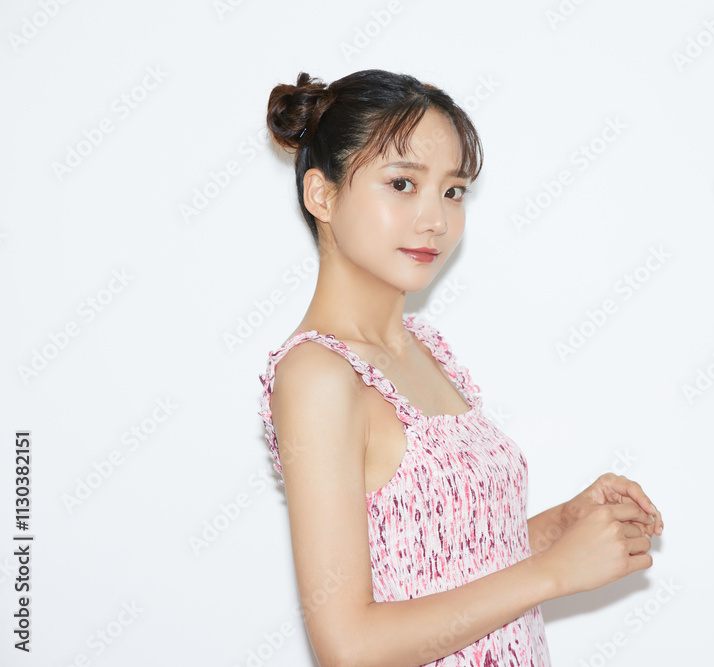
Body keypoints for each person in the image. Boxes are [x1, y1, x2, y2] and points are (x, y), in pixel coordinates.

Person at [257, 69, 664, 666]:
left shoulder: (422, 349)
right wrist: (552, 573)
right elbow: (349, 646)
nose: (436, 220)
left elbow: (440, 567)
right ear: (322, 195)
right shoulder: (317, 376)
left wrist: (561, 526)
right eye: (402, 184)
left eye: (453, 191)